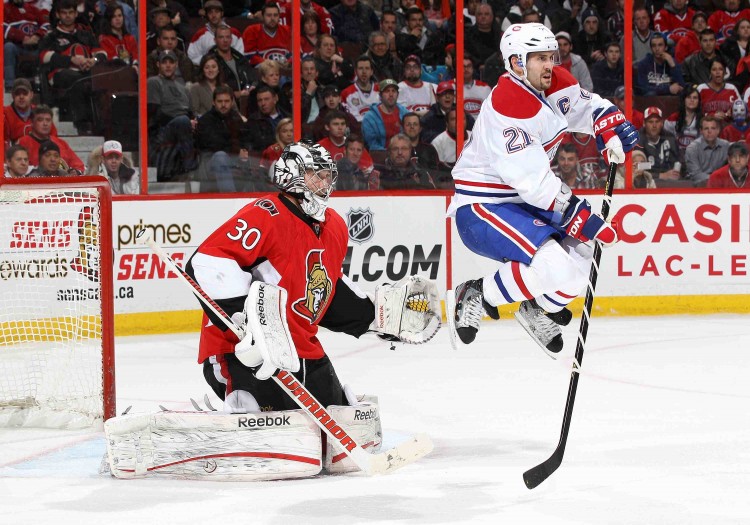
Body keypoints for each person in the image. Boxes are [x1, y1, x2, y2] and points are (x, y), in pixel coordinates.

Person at [184, 140, 439, 420]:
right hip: (241, 352)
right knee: (263, 417)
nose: (324, 181)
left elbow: (326, 290)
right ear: (291, 175)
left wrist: (373, 316)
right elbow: (208, 261)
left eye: (327, 174)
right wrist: (243, 320)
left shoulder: (335, 226)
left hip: (302, 349)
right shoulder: (265, 214)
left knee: (336, 419)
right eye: (315, 174)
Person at [445, 23, 638, 355]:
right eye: (540, 58)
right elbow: (534, 184)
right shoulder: (507, 106)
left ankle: (534, 307)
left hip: (523, 201)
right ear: (518, 63)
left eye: (552, 55)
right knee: (557, 267)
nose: (550, 64)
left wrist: (607, 123)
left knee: (582, 265)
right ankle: (477, 293)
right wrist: (582, 217)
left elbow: (586, 107)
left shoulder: (553, 82)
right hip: (482, 206)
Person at [39, 0, 107, 135]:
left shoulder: (85, 35)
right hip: (60, 74)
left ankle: (103, 125)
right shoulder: (51, 36)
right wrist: (71, 60)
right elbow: (43, 56)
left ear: (76, 13)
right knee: (79, 80)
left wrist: (92, 60)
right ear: (58, 14)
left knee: (101, 80)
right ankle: (82, 124)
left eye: (71, 12)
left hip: (86, 72)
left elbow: (102, 53)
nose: (68, 16)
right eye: (64, 13)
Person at [147, 49, 197, 182]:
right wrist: (186, 121)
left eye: (171, 62)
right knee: (182, 121)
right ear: (158, 65)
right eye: (164, 62)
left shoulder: (184, 88)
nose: (168, 65)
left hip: (184, 125)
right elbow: (154, 113)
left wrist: (194, 122)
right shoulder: (153, 82)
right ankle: (190, 169)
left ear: (176, 65)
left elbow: (192, 114)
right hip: (162, 130)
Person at [195, 86, 256, 193]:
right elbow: (213, 145)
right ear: (214, 102)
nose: (223, 105)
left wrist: (245, 150)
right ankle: (230, 198)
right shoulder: (205, 120)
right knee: (220, 156)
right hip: (211, 162)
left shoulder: (236, 118)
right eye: (220, 101)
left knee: (251, 158)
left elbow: (246, 138)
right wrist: (237, 151)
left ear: (232, 102)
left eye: (227, 101)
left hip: (235, 159)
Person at [18, 105, 84, 173]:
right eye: (40, 120)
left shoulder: (61, 143)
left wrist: (75, 171)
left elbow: (79, 166)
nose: (45, 123)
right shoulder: (22, 143)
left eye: (48, 120)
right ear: (32, 122)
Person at [3, 0, 47, 91]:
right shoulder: (4, 8)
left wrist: (37, 35)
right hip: (16, 46)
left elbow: (46, 24)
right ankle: (9, 85)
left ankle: (44, 86)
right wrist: (22, 37)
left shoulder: (33, 9)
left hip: (35, 46)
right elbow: (2, 26)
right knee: (8, 47)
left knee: (47, 50)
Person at [187, 0, 243, 66]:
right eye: (210, 12)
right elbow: (192, 56)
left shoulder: (234, 33)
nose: (214, 15)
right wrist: (209, 62)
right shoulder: (200, 34)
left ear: (222, 13)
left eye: (217, 12)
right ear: (206, 15)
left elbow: (240, 54)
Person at [4, 78, 58, 144]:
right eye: (17, 94)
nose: (21, 97)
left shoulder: (40, 112)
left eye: (25, 93)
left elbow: (54, 138)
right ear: (12, 95)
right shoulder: (5, 114)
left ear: (31, 95)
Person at [362, 79, 409, 151]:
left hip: (403, 154)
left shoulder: (404, 113)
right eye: (387, 91)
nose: (391, 94)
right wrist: (391, 154)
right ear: (380, 95)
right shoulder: (370, 117)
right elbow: (372, 144)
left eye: (393, 91)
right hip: (380, 157)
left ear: (398, 94)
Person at [684, 115, 730, 186]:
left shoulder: (726, 146)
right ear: (701, 131)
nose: (709, 131)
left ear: (718, 130)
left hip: (720, 186)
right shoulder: (692, 149)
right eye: (706, 129)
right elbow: (696, 175)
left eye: (713, 128)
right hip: (698, 187)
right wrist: (717, 180)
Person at [638, 106, 682, 180]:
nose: (654, 125)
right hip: (645, 183)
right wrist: (660, 175)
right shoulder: (638, 141)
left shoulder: (670, 138)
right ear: (644, 124)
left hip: (668, 182)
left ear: (662, 123)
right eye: (650, 122)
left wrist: (675, 172)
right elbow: (638, 167)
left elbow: (676, 161)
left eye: (657, 122)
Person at [243, 2, 291, 67]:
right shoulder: (252, 31)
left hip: (284, 69)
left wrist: (289, 62)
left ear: (279, 16)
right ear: (263, 17)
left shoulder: (287, 30)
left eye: (275, 15)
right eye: (269, 15)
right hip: (262, 71)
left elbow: (294, 54)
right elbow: (250, 58)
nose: (272, 18)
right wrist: (269, 63)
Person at [665, 86, 702, 161]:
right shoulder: (672, 118)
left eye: (695, 98)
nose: (692, 100)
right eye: (689, 97)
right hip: (676, 156)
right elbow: (666, 140)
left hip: (697, 156)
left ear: (698, 101)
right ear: (683, 100)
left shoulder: (703, 120)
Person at [341, 56, 380, 123]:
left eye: (367, 68)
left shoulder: (381, 90)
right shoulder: (346, 93)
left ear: (371, 72)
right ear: (355, 71)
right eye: (360, 68)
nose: (364, 72)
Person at [98, 3, 138, 67]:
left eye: (120, 16)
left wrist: (135, 65)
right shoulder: (104, 39)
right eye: (114, 16)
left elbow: (136, 56)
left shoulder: (130, 38)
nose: (118, 19)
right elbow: (111, 60)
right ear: (109, 19)